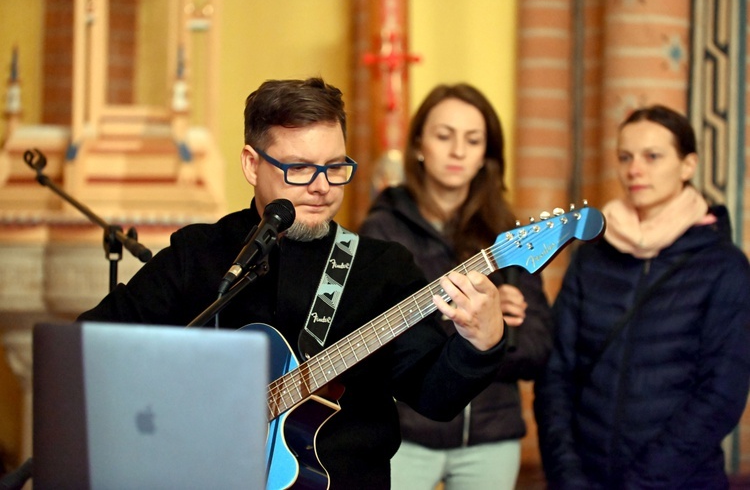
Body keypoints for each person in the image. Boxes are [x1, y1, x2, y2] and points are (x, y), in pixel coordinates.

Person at [77, 77, 510, 489]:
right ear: (251, 164)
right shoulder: (200, 253)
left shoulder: (381, 268)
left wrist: (482, 342)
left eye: (335, 167)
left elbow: (435, 398)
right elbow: (93, 344)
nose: (322, 187)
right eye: (300, 168)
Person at [533, 104, 750, 489]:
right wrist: (567, 476)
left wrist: (643, 482)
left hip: (681, 481)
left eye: (653, 157)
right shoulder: (592, 257)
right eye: (625, 157)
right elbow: (556, 374)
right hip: (585, 479)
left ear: (688, 165)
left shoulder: (723, 265)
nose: (635, 170)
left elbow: (721, 392)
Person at [359, 83, 552, 489]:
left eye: (473, 139)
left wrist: (497, 330)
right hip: (405, 434)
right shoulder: (382, 227)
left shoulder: (510, 237)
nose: (458, 151)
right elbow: (375, 341)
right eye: (444, 136)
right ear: (418, 146)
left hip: (490, 439)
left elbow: (538, 349)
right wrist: (475, 324)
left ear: (486, 155)